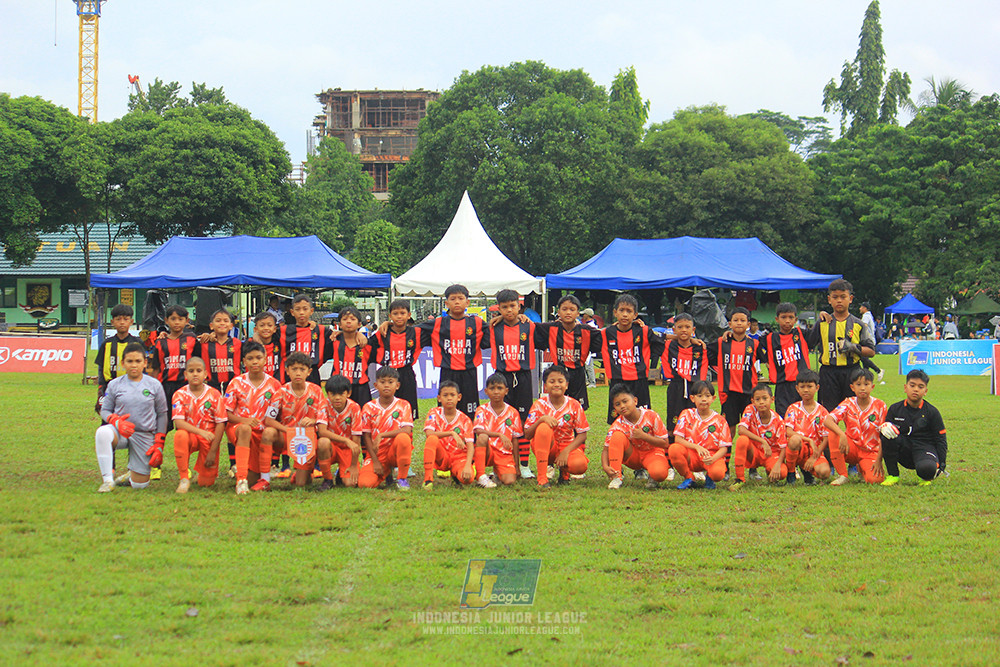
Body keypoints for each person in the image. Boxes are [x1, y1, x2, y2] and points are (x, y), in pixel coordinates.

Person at [94, 342, 168, 492]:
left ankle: (131, 476)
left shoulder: (154, 385)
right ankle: (107, 480)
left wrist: (159, 443)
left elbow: (162, 414)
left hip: (144, 434)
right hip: (121, 432)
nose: (134, 365)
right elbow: (105, 410)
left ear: (145, 363)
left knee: (140, 485)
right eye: (129, 361)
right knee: (102, 433)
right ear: (123, 363)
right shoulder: (114, 384)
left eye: (138, 361)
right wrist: (116, 421)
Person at [412, 284, 488, 420]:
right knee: (446, 411)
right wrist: (388, 324)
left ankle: (470, 433)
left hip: (469, 374)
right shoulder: (438, 323)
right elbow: (408, 331)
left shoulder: (477, 323)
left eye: (460, 298)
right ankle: (445, 432)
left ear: (467, 302)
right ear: (446, 303)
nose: (457, 302)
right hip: (447, 373)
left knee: (470, 413)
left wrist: (505, 318)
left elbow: (498, 328)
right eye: (453, 299)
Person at [265, 352, 335, 490]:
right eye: (294, 369)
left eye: (302, 369)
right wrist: (287, 430)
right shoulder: (281, 391)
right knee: (268, 432)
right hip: (286, 436)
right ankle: (264, 477)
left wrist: (313, 420)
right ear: (287, 371)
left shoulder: (316, 391)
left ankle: (305, 471)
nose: (298, 373)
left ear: (309, 372)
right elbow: (268, 420)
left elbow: (323, 417)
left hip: (306, 438)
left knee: (301, 483)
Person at [489, 289, 540, 478]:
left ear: (519, 307)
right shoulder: (493, 327)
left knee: (524, 421)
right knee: (501, 420)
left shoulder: (529, 326)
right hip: (502, 378)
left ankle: (524, 465)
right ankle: (502, 462)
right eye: (505, 307)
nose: (509, 310)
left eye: (513, 306)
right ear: (499, 308)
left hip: (524, 377)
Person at [593, 294, 666, 425]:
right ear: (615, 312)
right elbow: (584, 335)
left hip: (639, 381)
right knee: (617, 421)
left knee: (643, 419)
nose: (625, 314)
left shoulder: (643, 331)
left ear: (635, 314)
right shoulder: (606, 333)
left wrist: (689, 339)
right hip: (617, 382)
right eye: (621, 310)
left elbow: (662, 340)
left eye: (629, 311)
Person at [224, 341, 282, 495]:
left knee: (254, 479)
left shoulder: (275, 385)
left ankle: (257, 473)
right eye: (250, 358)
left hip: (263, 434)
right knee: (245, 429)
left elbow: (279, 415)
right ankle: (241, 480)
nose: (255, 362)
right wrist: (244, 421)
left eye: (258, 358)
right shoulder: (236, 383)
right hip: (240, 430)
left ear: (265, 360)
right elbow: (227, 414)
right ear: (244, 361)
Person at [809, 279, 876, 411]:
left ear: (850, 299)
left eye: (843, 297)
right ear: (829, 299)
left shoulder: (858, 324)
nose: (839, 300)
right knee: (828, 413)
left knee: (853, 412)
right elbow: (808, 343)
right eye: (835, 297)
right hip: (828, 373)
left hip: (852, 372)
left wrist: (853, 347)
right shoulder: (822, 323)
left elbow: (871, 351)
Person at [150, 306, 198, 480]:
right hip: (165, 389)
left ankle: (184, 466)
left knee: (183, 429)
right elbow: (155, 368)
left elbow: (199, 362)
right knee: (161, 426)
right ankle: (155, 465)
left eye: (180, 319)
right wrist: (153, 390)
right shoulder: (160, 342)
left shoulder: (192, 340)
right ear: (166, 321)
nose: (177, 322)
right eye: (173, 319)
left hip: (185, 389)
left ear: (187, 321)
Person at [523, 365, 589, 488]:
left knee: (580, 465)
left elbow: (582, 434)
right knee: (544, 428)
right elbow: (527, 434)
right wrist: (541, 420)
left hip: (566, 445)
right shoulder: (539, 405)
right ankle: (542, 477)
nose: (556, 385)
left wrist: (566, 451)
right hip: (546, 446)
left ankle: (564, 474)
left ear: (566, 385)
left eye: (560, 381)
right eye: (552, 381)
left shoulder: (574, 405)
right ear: (545, 386)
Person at [880, 369, 948, 486]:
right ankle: (893, 475)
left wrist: (941, 465)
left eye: (920, 387)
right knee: (887, 434)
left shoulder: (932, 412)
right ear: (905, 387)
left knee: (927, 469)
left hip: (924, 449)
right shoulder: (895, 409)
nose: (916, 389)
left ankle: (925, 476)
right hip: (904, 451)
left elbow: (941, 439)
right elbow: (883, 436)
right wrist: (883, 428)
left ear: (925, 391)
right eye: (912, 385)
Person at [170, 356, 226, 493]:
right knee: (180, 435)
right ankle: (184, 478)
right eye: (191, 371)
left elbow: (221, 424)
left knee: (206, 483)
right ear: (185, 374)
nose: (195, 374)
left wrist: (213, 451)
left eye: (199, 371)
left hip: (209, 440)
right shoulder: (179, 394)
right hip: (191, 437)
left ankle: (202, 473)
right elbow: (179, 422)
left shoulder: (214, 394)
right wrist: (200, 432)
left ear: (205, 374)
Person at [197, 309, 243, 475]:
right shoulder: (204, 343)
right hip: (212, 389)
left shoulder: (238, 344)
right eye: (218, 320)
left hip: (232, 390)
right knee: (211, 426)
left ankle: (234, 464)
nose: (222, 323)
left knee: (231, 426)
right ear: (211, 325)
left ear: (231, 325)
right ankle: (207, 464)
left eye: (225, 321)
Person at [823, 367, 887, 486]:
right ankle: (843, 475)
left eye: (866, 384)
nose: (862, 388)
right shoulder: (848, 403)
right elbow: (828, 420)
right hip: (851, 447)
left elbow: (884, 435)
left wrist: (879, 460)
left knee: (874, 480)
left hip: (870, 451)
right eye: (858, 384)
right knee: (833, 433)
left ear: (872, 387)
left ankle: (862, 468)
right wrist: (842, 435)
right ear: (852, 387)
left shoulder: (880, 406)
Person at [604, 383, 671, 490]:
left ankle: (653, 477)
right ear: (614, 408)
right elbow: (606, 449)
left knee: (659, 473)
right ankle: (616, 477)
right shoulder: (617, 424)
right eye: (617, 404)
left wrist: (644, 436)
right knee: (616, 436)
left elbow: (665, 443)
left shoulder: (651, 416)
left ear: (635, 401)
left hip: (652, 453)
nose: (622, 406)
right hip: (633, 456)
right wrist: (605, 466)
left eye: (625, 401)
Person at [357, 366, 414, 490]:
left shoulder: (404, 405)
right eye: (382, 382)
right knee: (364, 484)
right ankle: (386, 472)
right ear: (376, 385)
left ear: (397, 385)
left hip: (395, 451)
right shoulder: (368, 407)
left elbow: (407, 430)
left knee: (404, 438)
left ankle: (402, 478)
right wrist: (375, 461)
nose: (386, 385)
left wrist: (382, 435)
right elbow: (366, 436)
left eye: (390, 382)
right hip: (377, 454)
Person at [535, 295, 596, 410]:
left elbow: (607, 335)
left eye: (572, 309)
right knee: (556, 406)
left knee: (578, 408)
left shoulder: (586, 331)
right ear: (558, 312)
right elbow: (529, 327)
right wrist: (521, 317)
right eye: (564, 309)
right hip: (558, 372)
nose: (568, 312)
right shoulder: (550, 328)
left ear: (578, 313)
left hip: (577, 374)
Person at [668, 380, 730, 490]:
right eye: (700, 396)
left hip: (711, 455)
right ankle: (689, 478)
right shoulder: (687, 414)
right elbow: (678, 439)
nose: (704, 399)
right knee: (674, 449)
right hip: (691, 454)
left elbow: (724, 448)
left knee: (718, 473)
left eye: (707, 396)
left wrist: (713, 458)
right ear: (692, 398)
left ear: (713, 398)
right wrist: (696, 447)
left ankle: (710, 477)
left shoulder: (720, 420)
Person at [368, 299, 423, 419]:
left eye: (402, 313)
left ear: (409, 315)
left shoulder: (417, 333)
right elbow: (365, 345)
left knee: (407, 410)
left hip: (406, 374)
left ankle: (406, 430)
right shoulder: (382, 333)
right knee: (387, 408)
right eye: (395, 313)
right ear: (390, 316)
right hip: (387, 373)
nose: (399, 316)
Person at [660, 313, 708, 443]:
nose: (684, 330)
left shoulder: (701, 347)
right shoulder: (668, 346)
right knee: (673, 423)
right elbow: (651, 335)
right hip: (675, 387)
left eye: (687, 327)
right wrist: (674, 337)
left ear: (693, 329)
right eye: (680, 327)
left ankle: (694, 450)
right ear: (674, 329)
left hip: (695, 388)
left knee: (695, 421)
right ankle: (671, 452)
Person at [758, 302, 812, 417]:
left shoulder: (801, 334)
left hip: (801, 384)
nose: (787, 321)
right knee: (783, 418)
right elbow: (751, 346)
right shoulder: (770, 338)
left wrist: (823, 316)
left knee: (802, 418)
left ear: (795, 319)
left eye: (791, 317)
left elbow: (819, 333)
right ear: (777, 319)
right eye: (783, 317)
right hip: (782, 386)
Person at [730, 384, 787, 491]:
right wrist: (763, 441)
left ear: (772, 399)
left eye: (765, 398)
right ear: (752, 401)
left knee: (782, 473)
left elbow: (783, 446)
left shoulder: (778, 420)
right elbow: (741, 430)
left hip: (771, 454)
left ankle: (770, 471)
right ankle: (740, 479)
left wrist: (778, 464)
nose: (761, 402)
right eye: (757, 399)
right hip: (754, 452)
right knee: (742, 440)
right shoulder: (750, 410)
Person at [711, 307, 759, 431]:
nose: (739, 323)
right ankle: (727, 445)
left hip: (749, 393)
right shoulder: (722, 342)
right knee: (729, 428)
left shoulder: (754, 344)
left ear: (748, 324)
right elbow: (703, 349)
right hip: (728, 393)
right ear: (730, 324)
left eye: (742, 320)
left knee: (750, 428)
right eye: (735, 320)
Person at [422, 381, 476, 488]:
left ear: (459, 397)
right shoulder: (434, 413)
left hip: (459, 457)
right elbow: (429, 433)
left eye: (452, 395)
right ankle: (428, 479)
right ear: (439, 398)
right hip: (442, 456)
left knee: (468, 479)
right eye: (445, 395)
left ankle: (456, 474)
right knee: (432, 439)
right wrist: (451, 433)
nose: (449, 398)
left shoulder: (465, 420)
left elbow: (470, 446)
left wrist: (467, 466)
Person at [473, 373, 523, 488]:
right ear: (486, 391)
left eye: (499, 388)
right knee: (483, 437)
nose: (496, 392)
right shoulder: (482, 410)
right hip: (488, 451)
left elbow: (515, 440)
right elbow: (479, 431)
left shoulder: (513, 412)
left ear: (506, 391)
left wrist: (516, 466)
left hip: (504, 454)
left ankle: (496, 472)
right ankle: (480, 476)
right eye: (492, 388)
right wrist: (499, 435)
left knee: (509, 481)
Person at [782, 369, 830, 485]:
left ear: (817, 388)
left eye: (809, 386)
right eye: (802, 387)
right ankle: (791, 473)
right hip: (798, 448)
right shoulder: (793, 408)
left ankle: (807, 473)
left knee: (824, 473)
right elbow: (788, 431)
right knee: (794, 439)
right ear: (797, 388)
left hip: (814, 451)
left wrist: (814, 457)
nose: (806, 390)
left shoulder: (823, 412)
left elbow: (826, 438)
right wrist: (808, 440)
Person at [95, 303, 142, 418]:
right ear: (112, 322)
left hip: (133, 387)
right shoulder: (107, 344)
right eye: (118, 319)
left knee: (131, 419)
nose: (122, 322)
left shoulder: (137, 343)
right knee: (108, 419)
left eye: (125, 319)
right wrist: (101, 389)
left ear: (131, 321)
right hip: (110, 388)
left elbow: (144, 368)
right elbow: (101, 368)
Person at [277, 294, 333, 385]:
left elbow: (339, 337)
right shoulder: (283, 331)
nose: (301, 312)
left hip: (312, 375)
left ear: (311, 311)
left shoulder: (321, 330)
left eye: (305, 309)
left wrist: (355, 334)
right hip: (290, 375)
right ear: (292, 312)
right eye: (298, 309)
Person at [317, 375, 362, 487]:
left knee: (350, 484)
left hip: (347, 449)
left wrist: (353, 465)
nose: (337, 398)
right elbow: (322, 432)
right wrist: (346, 440)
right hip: (331, 447)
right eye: (333, 394)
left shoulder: (354, 407)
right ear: (328, 394)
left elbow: (356, 442)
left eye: (341, 394)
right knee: (322, 442)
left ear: (348, 393)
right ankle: (327, 479)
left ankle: (341, 474)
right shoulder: (323, 404)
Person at [329, 306, 373, 406]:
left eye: (352, 319)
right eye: (345, 319)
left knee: (363, 414)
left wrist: (387, 323)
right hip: (339, 387)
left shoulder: (366, 344)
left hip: (361, 388)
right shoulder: (333, 340)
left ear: (359, 324)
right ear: (339, 324)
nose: (348, 322)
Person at [858, 302, 885, 382]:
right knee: (864, 360)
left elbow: (864, 326)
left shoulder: (866, 316)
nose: (860, 308)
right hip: (871, 339)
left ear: (865, 308)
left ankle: (878, 370)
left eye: (861, 307)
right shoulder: (870, 315)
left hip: (867, 340)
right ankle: (866, 378)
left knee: (863, 358)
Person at [580, 307, 600, 388]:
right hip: (585, 348)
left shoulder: (591, 326)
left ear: (587, 315)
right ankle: (587, 381)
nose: (583, 316)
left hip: (590, 349)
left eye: (584, 314)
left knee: (589, 366)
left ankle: (592, 382)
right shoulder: (588, 325)